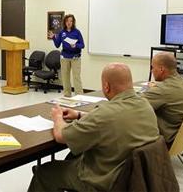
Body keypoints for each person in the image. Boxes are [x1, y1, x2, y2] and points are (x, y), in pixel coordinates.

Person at [28, 63, 160, 192]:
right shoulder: (145, 105)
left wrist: (57, 117)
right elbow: (114, 118)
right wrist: (79, 114)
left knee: (45, 172)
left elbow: (61, 136)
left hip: (104, 181)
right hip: (134, 178)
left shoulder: (104, 113)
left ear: (106, 86)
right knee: (74, 155)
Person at [141, 52, 183, 144]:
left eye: (153, 67)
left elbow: (134, 104)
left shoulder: (163, 89)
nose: (152, 71)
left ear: (161, 69)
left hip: (167, 139)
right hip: (182, 137)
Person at [48, 14, 84, 97]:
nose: (69, 22)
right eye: (67, 21)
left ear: (73, 22)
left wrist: (76, 46)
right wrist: (53, 37)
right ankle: (67, 95)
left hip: (75, 58)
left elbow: (82, 45)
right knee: (65, 77)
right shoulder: (62, 32)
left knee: (76, 77)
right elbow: (57, 45)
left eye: (71, 21)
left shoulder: (77, 32)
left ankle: (79, 96)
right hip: (65, 58)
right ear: (65, 22)